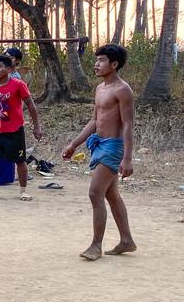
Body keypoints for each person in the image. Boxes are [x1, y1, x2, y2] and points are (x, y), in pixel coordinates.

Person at [62, 44, 136, 261]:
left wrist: (127, 158)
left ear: (114, 64)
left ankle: (96, 245)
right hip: (100, 144)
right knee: (111, 195)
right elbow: (94, 121)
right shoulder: (100, 89)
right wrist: (74, 144)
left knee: (95, 193)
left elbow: (128, 125)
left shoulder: (123, 90)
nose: (96, 64)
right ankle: (126, 240)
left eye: (101, 60)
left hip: (113, 146)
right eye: (97, 60)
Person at [0, 55, 44, 201]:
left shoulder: (18, 84)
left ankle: (23, 190)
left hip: (14, 130)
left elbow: (30, 105)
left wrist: (37, 127)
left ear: (8, 69)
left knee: (20, 161)